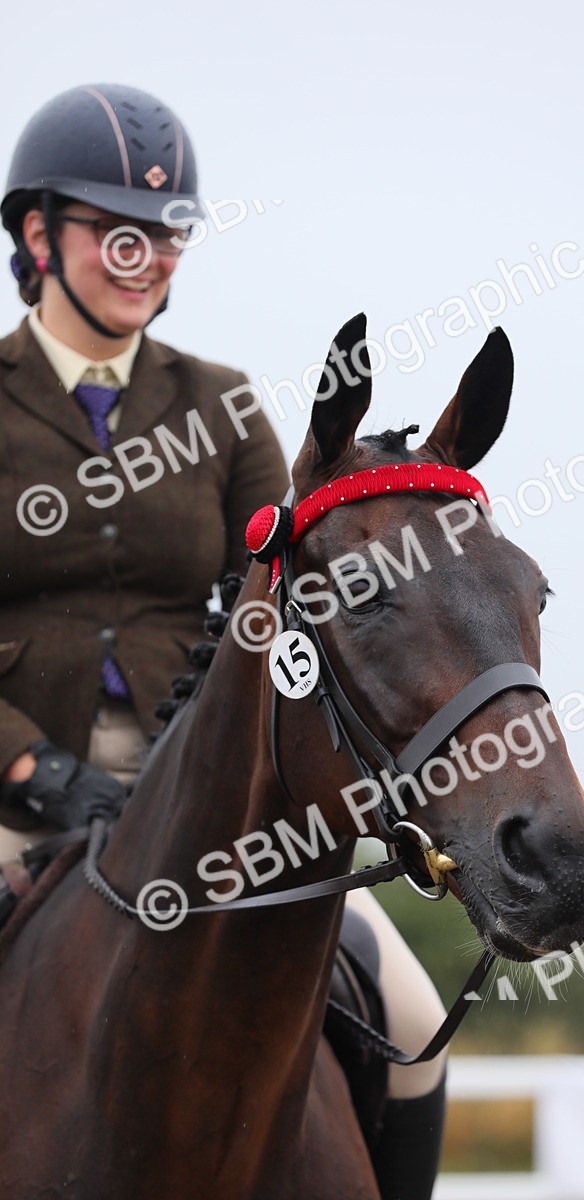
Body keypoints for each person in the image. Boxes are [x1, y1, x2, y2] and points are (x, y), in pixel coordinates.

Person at [0, 84, 445, 1200]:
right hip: (8, 798)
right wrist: (28, 767)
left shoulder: (222, 406)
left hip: (192, 802)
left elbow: (282, 581)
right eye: (118, 233)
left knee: (410, 1011)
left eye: (165, 237)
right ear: (37, 235)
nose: (145, 257)